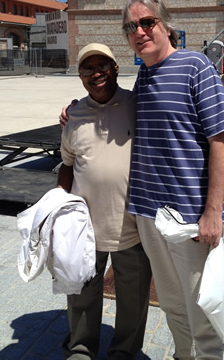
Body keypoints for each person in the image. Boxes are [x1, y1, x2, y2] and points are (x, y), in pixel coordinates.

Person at [122, 0, 224, 360]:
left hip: (190, 217)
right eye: (131, 27)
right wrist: (77, 109)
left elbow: (220, 140)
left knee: (203, 310)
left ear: (166, 25)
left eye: (147, 22)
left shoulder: (196, 66)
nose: (139, 31)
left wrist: (212, 213)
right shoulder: (144, 74)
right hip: (148, 213)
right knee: (171, 304)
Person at [57, 43, 151, 360]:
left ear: (115, 68)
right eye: (88, 68)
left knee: (134, 295)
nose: (96, 73)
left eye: (103, 65)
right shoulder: (74, 116)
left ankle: (124, 349)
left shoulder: (137, 104)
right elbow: (67, 166)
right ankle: (81, 346)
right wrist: (59, 211)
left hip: (133, 223)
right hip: (85, 227)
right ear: (80, 75)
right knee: (81, 291)